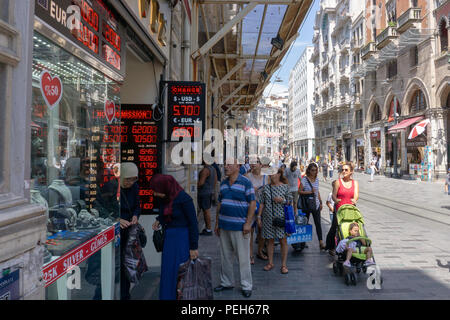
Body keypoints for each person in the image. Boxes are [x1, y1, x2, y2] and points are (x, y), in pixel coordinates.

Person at [150, 174, 199, 300]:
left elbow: (193, 223)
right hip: (169, 240)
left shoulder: (184, 199)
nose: (155, 194)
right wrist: (159, 220)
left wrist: (193, 247)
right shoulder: (165, 197)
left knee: (180, 272)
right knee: (167, 272)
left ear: (165, 188)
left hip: (182, 240)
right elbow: (164, 211)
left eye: (157, 191)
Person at [214, 159, 256, 298]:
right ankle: (226, 282)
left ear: (238, 166)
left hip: (240, 227)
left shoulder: (246, 182)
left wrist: (248, 223)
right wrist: (217, 223)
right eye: (225, 164)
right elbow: (220, 203)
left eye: (229, 164)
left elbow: (252, 203)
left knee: (243, 258)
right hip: (224, 225)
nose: (225, 167)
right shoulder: (224, 184)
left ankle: (246, 285)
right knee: (225, 257)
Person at [257, 166, 292, 274]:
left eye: (274, 173)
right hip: (268, 218)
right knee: (270, 241)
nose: (272, 175)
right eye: (270, 173)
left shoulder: (285, 187)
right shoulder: (265, 188)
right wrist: (259, 216)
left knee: (283, 241)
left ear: (279, 174)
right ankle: (270, 262)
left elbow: (290, 201)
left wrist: (282, 200)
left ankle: (284, 265)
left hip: (281, 218)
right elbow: (262, 203)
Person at [325, 162, 359, 255]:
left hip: (351, 208)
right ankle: (330, 246)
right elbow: (333, 196)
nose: (344, 171)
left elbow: (356, 195)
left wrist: (355, 200)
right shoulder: (337, 182)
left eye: (346, 170)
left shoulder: (354, 183)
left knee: (351, 226)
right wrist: (336, 200)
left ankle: (352, 245)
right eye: (342, 170)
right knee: (335, 226)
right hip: (339, 208)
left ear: (351, 172)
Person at [119, 162, 141, 300]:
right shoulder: (111, 187)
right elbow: (102, 208)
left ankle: (125, 295)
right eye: (127, 179)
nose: (130, 183)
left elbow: (137, 206)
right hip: (116, 231)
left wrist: (135, 216)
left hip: (129, 232)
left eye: (133, 179)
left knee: (126, 265)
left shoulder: (135, 187)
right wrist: (117, 219)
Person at [245, 158, 269, 264]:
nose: (253, 164)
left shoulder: (266, 177)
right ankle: (250, 255)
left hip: (262, 207)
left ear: (261, 165)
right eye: (251, 162)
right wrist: (249, 190)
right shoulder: (246, 177)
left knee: (261, 231)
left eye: (256, 162)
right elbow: (242, 191)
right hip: (250, 206)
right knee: (250, 231)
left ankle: (259, 251)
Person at [298, 163, 325, 251]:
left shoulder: (316, 179)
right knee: (305, 223)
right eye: (313, 170)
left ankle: (321, 242)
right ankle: (303, 242)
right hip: (306, 204)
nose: (314, 172)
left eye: (316, 170)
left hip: (316, 204)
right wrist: (310, 192)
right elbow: (300, 191)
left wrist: (320, 202)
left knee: (318, 224)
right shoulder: (304, 180)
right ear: (309, 170)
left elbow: (317, 192)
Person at [197, 160, 217, 235]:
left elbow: (201, 183)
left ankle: (208, 229)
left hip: (204, 193)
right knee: (206, 210)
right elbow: (215, 180)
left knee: (206, 211)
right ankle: (208, 228)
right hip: (208, 192)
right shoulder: (213, 169)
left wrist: (194, 186)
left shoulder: (205, 170)